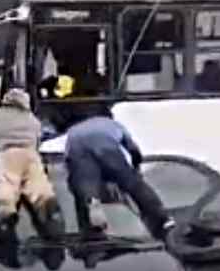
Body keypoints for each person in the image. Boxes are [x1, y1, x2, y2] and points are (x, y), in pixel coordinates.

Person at [60, 76, 175, 240]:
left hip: (79, 149)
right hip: (107, 148)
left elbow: (70, 158)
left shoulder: (74, 130)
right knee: (134, 185)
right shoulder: (112, 124)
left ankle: (92, 211)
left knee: (86, 187)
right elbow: (133, 149)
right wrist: (135, 168)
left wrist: (75, 178)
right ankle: (162, 219)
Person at [0, 88, 60, 234]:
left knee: (4, 186)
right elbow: (37, 142)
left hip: (6, 155)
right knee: (37, 183)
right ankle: (46, 203)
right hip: (30, 155)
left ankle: (6, 213)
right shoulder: (33, 120)